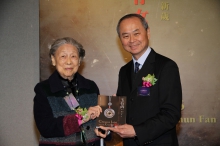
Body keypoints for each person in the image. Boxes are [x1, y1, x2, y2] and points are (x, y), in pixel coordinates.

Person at [96, 14, 182, 146]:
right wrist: (107, 127)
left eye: (136, 33)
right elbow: (122, 112)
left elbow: (171, 114)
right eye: (125, 36)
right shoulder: (124, 71)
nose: (131, 40)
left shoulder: (166, 66)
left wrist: (137, 131)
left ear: (148, 32)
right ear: (120, 40)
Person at [34, 37, 108, 146]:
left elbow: (99, 123)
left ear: (79, 61)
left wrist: (105, 128)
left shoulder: (90, 86)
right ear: (53, 60)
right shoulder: (43, 89)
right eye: (63, 56)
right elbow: (45, 127)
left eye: (73, 56)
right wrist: (82, 117)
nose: (68, 61)